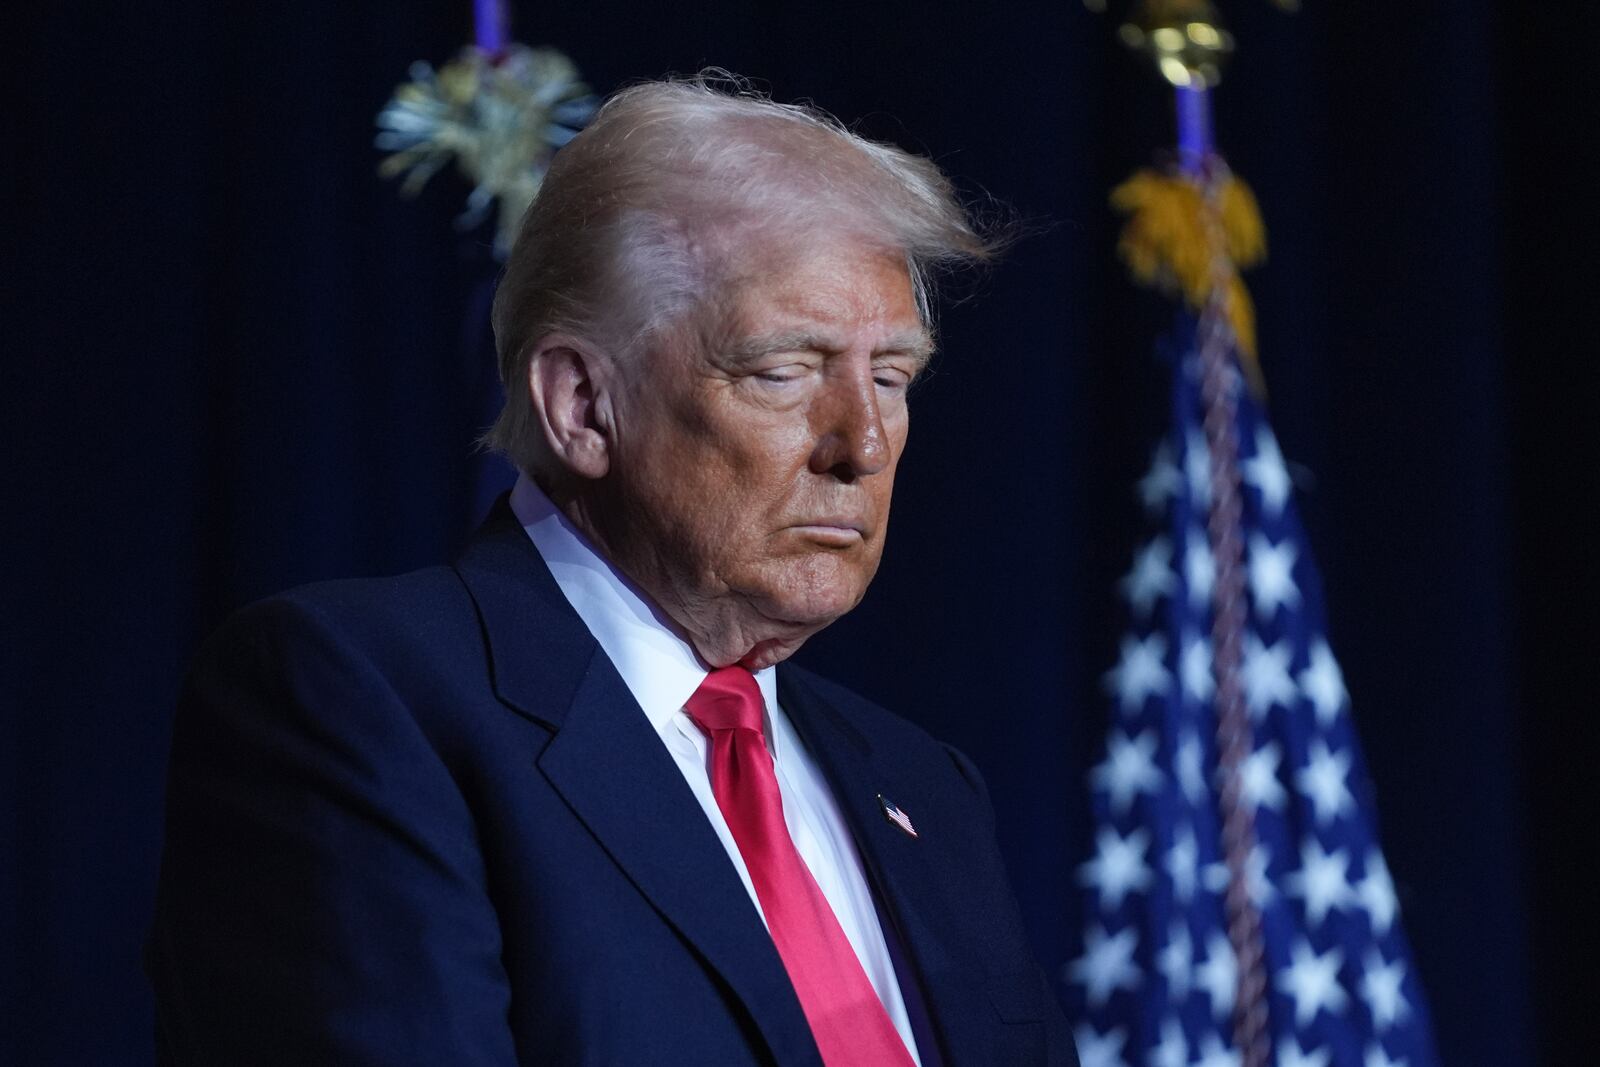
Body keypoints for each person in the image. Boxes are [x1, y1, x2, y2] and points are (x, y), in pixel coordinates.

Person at [148, 77, 1079, 1066]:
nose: (861, 443)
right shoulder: (357, 699)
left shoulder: (924, 786)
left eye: (890, 377)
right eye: (783, 370)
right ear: (583, 405)